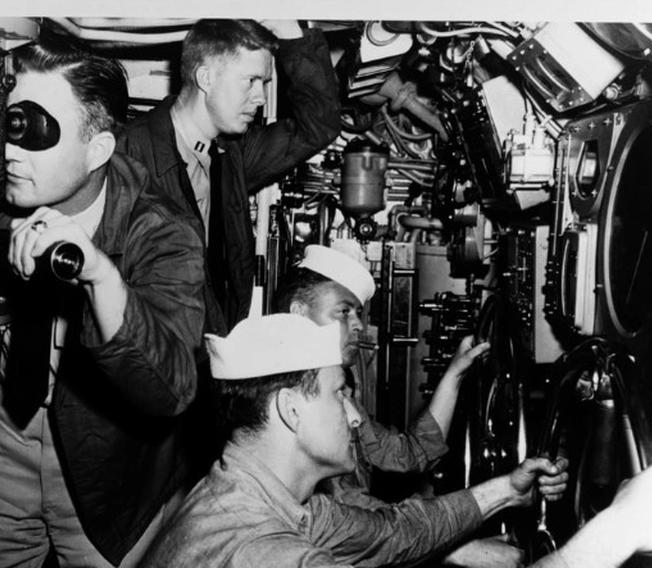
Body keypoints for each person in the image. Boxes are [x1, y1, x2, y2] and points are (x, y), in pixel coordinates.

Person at [0, 34, 205, 567]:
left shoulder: (162, 231)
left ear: (98, 149)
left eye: (35, 129)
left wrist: (102, 277)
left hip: (108, 475)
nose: (10, 150)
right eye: (8, 125)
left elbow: (172, 387)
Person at [139, 314, 569, 568]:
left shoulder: (267, 497)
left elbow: (396, 532)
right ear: (291, 411)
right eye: (339, 393)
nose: (352, 415)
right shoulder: (264, 552)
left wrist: (505, 491)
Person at [275, 244, 529, 567]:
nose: (358, 325)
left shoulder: (341, 392)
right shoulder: (293, 404)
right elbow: (348, 523)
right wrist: (455, 549)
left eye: (359, 313)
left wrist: (455, 373)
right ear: (298, 314)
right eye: (343, 311)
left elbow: (404, 454)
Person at [117, 19, 341, 335]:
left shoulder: (231, 155)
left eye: (263, 83)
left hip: (206, 357)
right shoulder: (127, 154)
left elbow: (318, 125)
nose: (261, 97)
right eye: (250, 81)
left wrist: (290, 30)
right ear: (206, 77)